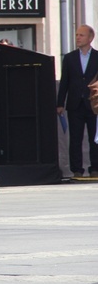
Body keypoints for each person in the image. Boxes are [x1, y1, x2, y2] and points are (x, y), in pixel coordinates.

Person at [57, 24, 98, 178]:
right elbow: (65, 82)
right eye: (76, 35)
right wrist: (60, 103)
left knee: (95, 138)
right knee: (75, 138)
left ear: (90, 38)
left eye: (81, 35)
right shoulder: (69, 58)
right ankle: (77, 169)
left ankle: (95, 168)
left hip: (93, 104)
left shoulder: (97, 57)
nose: (78, 38)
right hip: (75, 104)